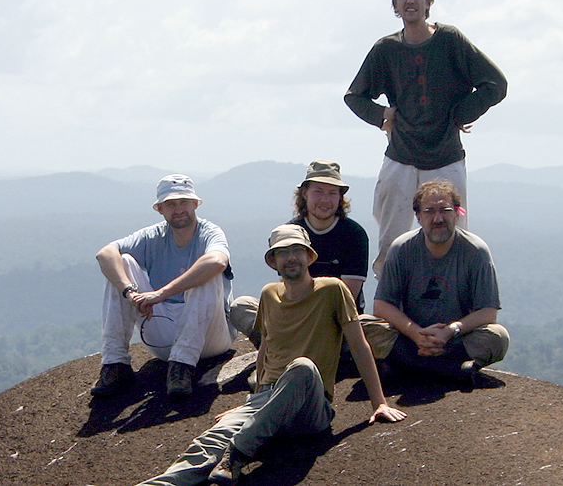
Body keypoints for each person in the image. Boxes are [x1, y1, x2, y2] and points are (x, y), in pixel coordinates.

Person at [135, 224, 406, 486]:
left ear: (309, 256)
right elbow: (266, 348)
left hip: (309, 406)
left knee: (302, 367)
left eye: (297, 250)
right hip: (266, 398)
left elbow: (358, 345)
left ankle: (237, 455)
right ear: (273, 261)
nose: (291, 257)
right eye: (282, 252)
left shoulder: (332, 290)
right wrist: (252, 400)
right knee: (210, 440)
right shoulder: (269, 294)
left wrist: (378, 402)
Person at [344, 0, 507, 277]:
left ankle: (458, 293)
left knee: (455, 234)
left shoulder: (450, 40)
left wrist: (462, 113)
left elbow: (495, 84)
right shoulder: (386, 49)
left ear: (428, 2)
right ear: (394, 5)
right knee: (391, 239)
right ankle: (388, 304)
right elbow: (355, 96)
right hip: (401, 157)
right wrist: (381, 116)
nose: (410, 1)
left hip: (445, 156)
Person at [91, 174, 237, 400]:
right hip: (164, 330)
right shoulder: (153, 236)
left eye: (184, 202)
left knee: (206, 271)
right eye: (171, 204)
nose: (178, 209)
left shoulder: (210, 232)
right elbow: (105, 254)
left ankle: (183, 365)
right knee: (123, 263)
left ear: (196, 204)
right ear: (160, 209)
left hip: (211, 336)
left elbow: (218, 261)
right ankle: (115, 363)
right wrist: (131, 293)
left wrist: (161, 293)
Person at [361, 180, 509, 380]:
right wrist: (415, 333)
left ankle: (409, 367)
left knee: (498, 337)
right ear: (418, 217)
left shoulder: (475, 251)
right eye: (429, 211)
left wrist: (450, 331)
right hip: (409, 336)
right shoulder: (402, 248)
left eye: (445, 210)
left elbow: (488, 312)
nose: (438, 218)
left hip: (455, 339)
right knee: (360, 326)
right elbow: (382, 306)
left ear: (457, 213)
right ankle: (449, 371)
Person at [230, 160, 369, 347]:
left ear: (340, 198)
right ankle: (276, 345)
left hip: (338, 320)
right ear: (305, 193)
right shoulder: (289, 232)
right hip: (296, 314)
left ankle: (280, 345)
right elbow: (287, 286)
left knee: (376, 328)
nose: (325, 200)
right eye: (318, 192)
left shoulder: (354, 235)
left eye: (332, 193)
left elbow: (349, 294)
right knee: (241, 306)